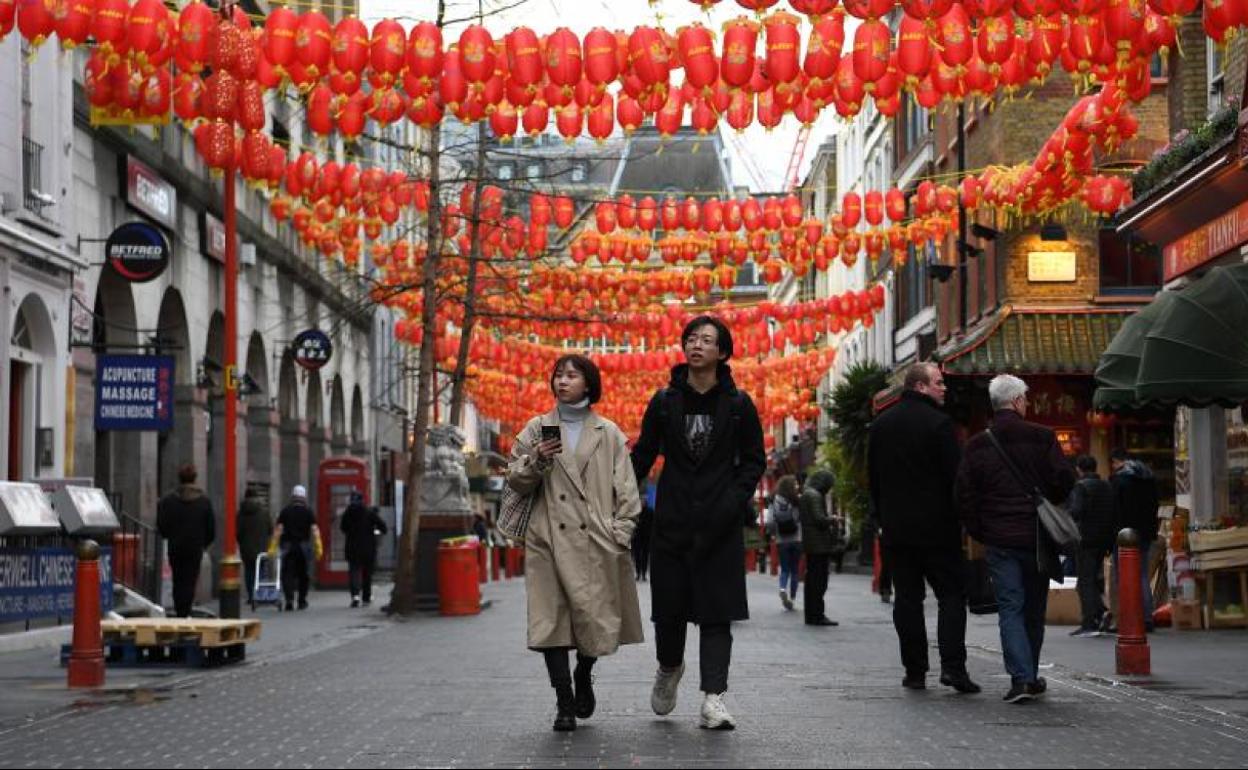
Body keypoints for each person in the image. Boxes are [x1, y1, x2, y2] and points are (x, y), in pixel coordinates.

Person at [631, 316, 766, 731]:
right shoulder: (665, 401)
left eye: (707, 340)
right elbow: (643, 455)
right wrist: (613, 487)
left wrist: (731, 501)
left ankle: (713, 698)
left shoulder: (739, 405)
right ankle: (669, 667)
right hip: (671, 524)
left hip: (718, 526)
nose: (697, 345)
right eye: (692, 338)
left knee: (716, 614)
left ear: (722, 352)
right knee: (668, 615)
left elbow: (754, 461)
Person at [505, 354, 644, 733]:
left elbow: (627, 488)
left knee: (592, 622)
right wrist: (535, 460)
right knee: (551, 622)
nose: (562, 381)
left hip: (595, 541)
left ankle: (584, 672)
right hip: (547, 538)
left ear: (588, 384)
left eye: (571, 375)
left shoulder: (608, 432)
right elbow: (514, 480)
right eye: (558, 375)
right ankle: (564, 700)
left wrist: (621, 531)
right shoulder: (537, 428)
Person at [957, 374, 1076, 704]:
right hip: (1037, 537)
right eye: (1025, 398)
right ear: (1018, 401)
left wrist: (980, 529)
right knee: (1034, 609)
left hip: (999, 538)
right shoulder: (1042, 437)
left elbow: (964, 494)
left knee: (1010, 606)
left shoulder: (978, 444)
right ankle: (1030, 674)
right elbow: (1064, 479)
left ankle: (1021, 677)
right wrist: (1045, 499)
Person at [868, 362, 979, 695]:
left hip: (897, 530)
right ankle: (953, 668)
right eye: (938, 383)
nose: (944, 388)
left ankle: (915, 671)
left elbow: (873, 478)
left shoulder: (881, 425)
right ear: (920, 387)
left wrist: (882, 518)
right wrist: (964, 519)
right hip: (938, 528)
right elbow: (956, 479)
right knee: (950, 596)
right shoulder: (940, 425)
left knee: (908, 599)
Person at [1110, 447, 1161, 631]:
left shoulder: (1120, 480)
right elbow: (1155, 505)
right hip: (1145, 533)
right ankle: (1147, 618)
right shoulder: (1149, 479)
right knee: (1142, 575)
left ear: (1118, 461)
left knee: (1124, 576)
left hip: (1124, 535)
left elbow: (1115, 510)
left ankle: (1130, 618)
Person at [156, 464, 215, 618]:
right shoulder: (204, 501)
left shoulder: (168, 501)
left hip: (175, 546)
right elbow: (211, 529)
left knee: (178, 578)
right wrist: (203, 544)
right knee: (190, 579)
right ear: (195, 478)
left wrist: (169, 536)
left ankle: (179, 608)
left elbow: (161, 524)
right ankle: (185, 610)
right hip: (195, 547)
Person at [1066, 455, 1116, 637]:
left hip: (1086, 539)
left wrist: (1067, 515)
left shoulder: (1081, 487)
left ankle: (1091, 619)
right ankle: (1100, 612)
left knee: (1084, 581)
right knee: (1094, 578)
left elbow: (1076, 512)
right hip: (1103, 539)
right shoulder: (1106, 485)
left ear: (1079, 469)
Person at [798, 469, 838, 626]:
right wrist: (832, 519)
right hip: (818, 545)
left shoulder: (807, 493)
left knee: (813, 580)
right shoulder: (814, 495)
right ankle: (817, 614)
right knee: (819, 581)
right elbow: (819, 519)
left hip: (812, 544)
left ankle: (812, 614)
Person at [340, 491, 388, 608]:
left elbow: (343, 528)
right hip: (368, 548)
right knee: (367, 573)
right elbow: (383, 527)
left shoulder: (347, 513)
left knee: (354, 572)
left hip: (352, 547)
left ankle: (355, 596)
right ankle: (366, 597)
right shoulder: (369, 513)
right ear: (362, 500)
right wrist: (375, 531)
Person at [275, 485, 317, 611]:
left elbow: (278, 529)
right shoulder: (308, 512)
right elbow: (315, 530)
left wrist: (274, 545)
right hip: (303, 546)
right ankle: (302, 600)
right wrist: (318, 547)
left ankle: (289, 599)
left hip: (288, 546)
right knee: (303, 574)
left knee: (287, 573)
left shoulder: (285, 511)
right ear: (304, 497)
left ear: (293, 496)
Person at [765, 475, 803, 612]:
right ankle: (792, 599)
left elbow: (770, 521)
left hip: (782, 540)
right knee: (795, 570)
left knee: (785, 568)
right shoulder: (797, 500)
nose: (797, 486)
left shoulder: (773, 500)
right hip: (797, 539)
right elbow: (801, 519)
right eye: (795, 484)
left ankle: (782, 588)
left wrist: (774, 533)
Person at [236, 487, 271, 605]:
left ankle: (251, 596)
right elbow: (270, 529)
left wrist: (242, 542)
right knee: (261, 571)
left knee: (249, 572)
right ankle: (261, 595)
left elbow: (238, 532)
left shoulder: (241, 513)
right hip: (261, 547)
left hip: (246, 548)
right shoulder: (264, 512)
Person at [633, 500, 654, 582]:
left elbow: (653, 523)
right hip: (637, 536)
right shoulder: (635, 512)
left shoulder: (650, 511)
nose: (642, 502)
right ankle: (638, 573)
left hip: (646, 537)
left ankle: (644, 573)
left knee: (645, 555)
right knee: (637, 555)